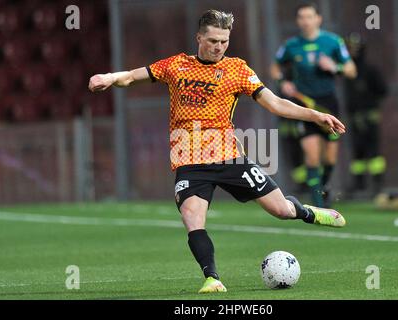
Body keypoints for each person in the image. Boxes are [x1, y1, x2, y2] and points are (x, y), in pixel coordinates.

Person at [89, 9, 346, 294]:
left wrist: (316, 116)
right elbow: (132, 77)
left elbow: (275, 103)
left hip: (229, 158)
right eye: (212, 40)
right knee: (192, 216)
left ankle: (306, 212)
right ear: (199, 37)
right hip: (189, 161)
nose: (218, 47)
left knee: (281, 211)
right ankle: (212, 278)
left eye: (224, 41)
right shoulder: (176, 65)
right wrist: (110, 77)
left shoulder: (237, 70)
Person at [270, 2, 356, 207]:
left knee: (330, 158)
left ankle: (323, 188)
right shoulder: (291, 45)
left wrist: (335, 66)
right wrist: (284, 82)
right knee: (311, 154)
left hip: (327, 103)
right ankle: (318, 204)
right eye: (301, 17)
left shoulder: (333, 42)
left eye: (309, 17)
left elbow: (352, 70)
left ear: (318, 19)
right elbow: (275, 67)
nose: (305, 21)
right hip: (303, 106)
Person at [344, 33, 387, 195]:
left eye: (356, 47)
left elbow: (383, 90)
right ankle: (358, 184)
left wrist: (368, 99)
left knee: (374, 151)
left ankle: (377, 184)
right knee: (357, 151)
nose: (353, 51)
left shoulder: (370, 70)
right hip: (354, 119)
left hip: (369, 117)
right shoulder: (348, 72)